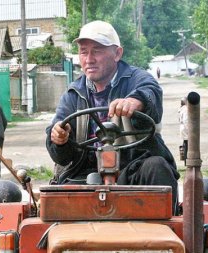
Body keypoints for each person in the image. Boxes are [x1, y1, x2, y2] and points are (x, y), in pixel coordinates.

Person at [45, 20, 179, 213]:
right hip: (86, 172)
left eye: (97, 50)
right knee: (52, 202)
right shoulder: (73, 94)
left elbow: (150, 91)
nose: (89, 59)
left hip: (132, 167)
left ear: (117, 53)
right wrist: (58, 138)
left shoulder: (136, 79)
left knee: (157, 167)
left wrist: (135, 101)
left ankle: (166, 234)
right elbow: (61, 154)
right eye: (84, 51)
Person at [178, 97, 188, 163]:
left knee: (185, 143)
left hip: (182, 127)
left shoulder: (181, 108)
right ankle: (186, 159)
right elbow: (186, 120)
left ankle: (185, 159)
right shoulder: (186, 109)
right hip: (185, 128)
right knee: (188, 144)